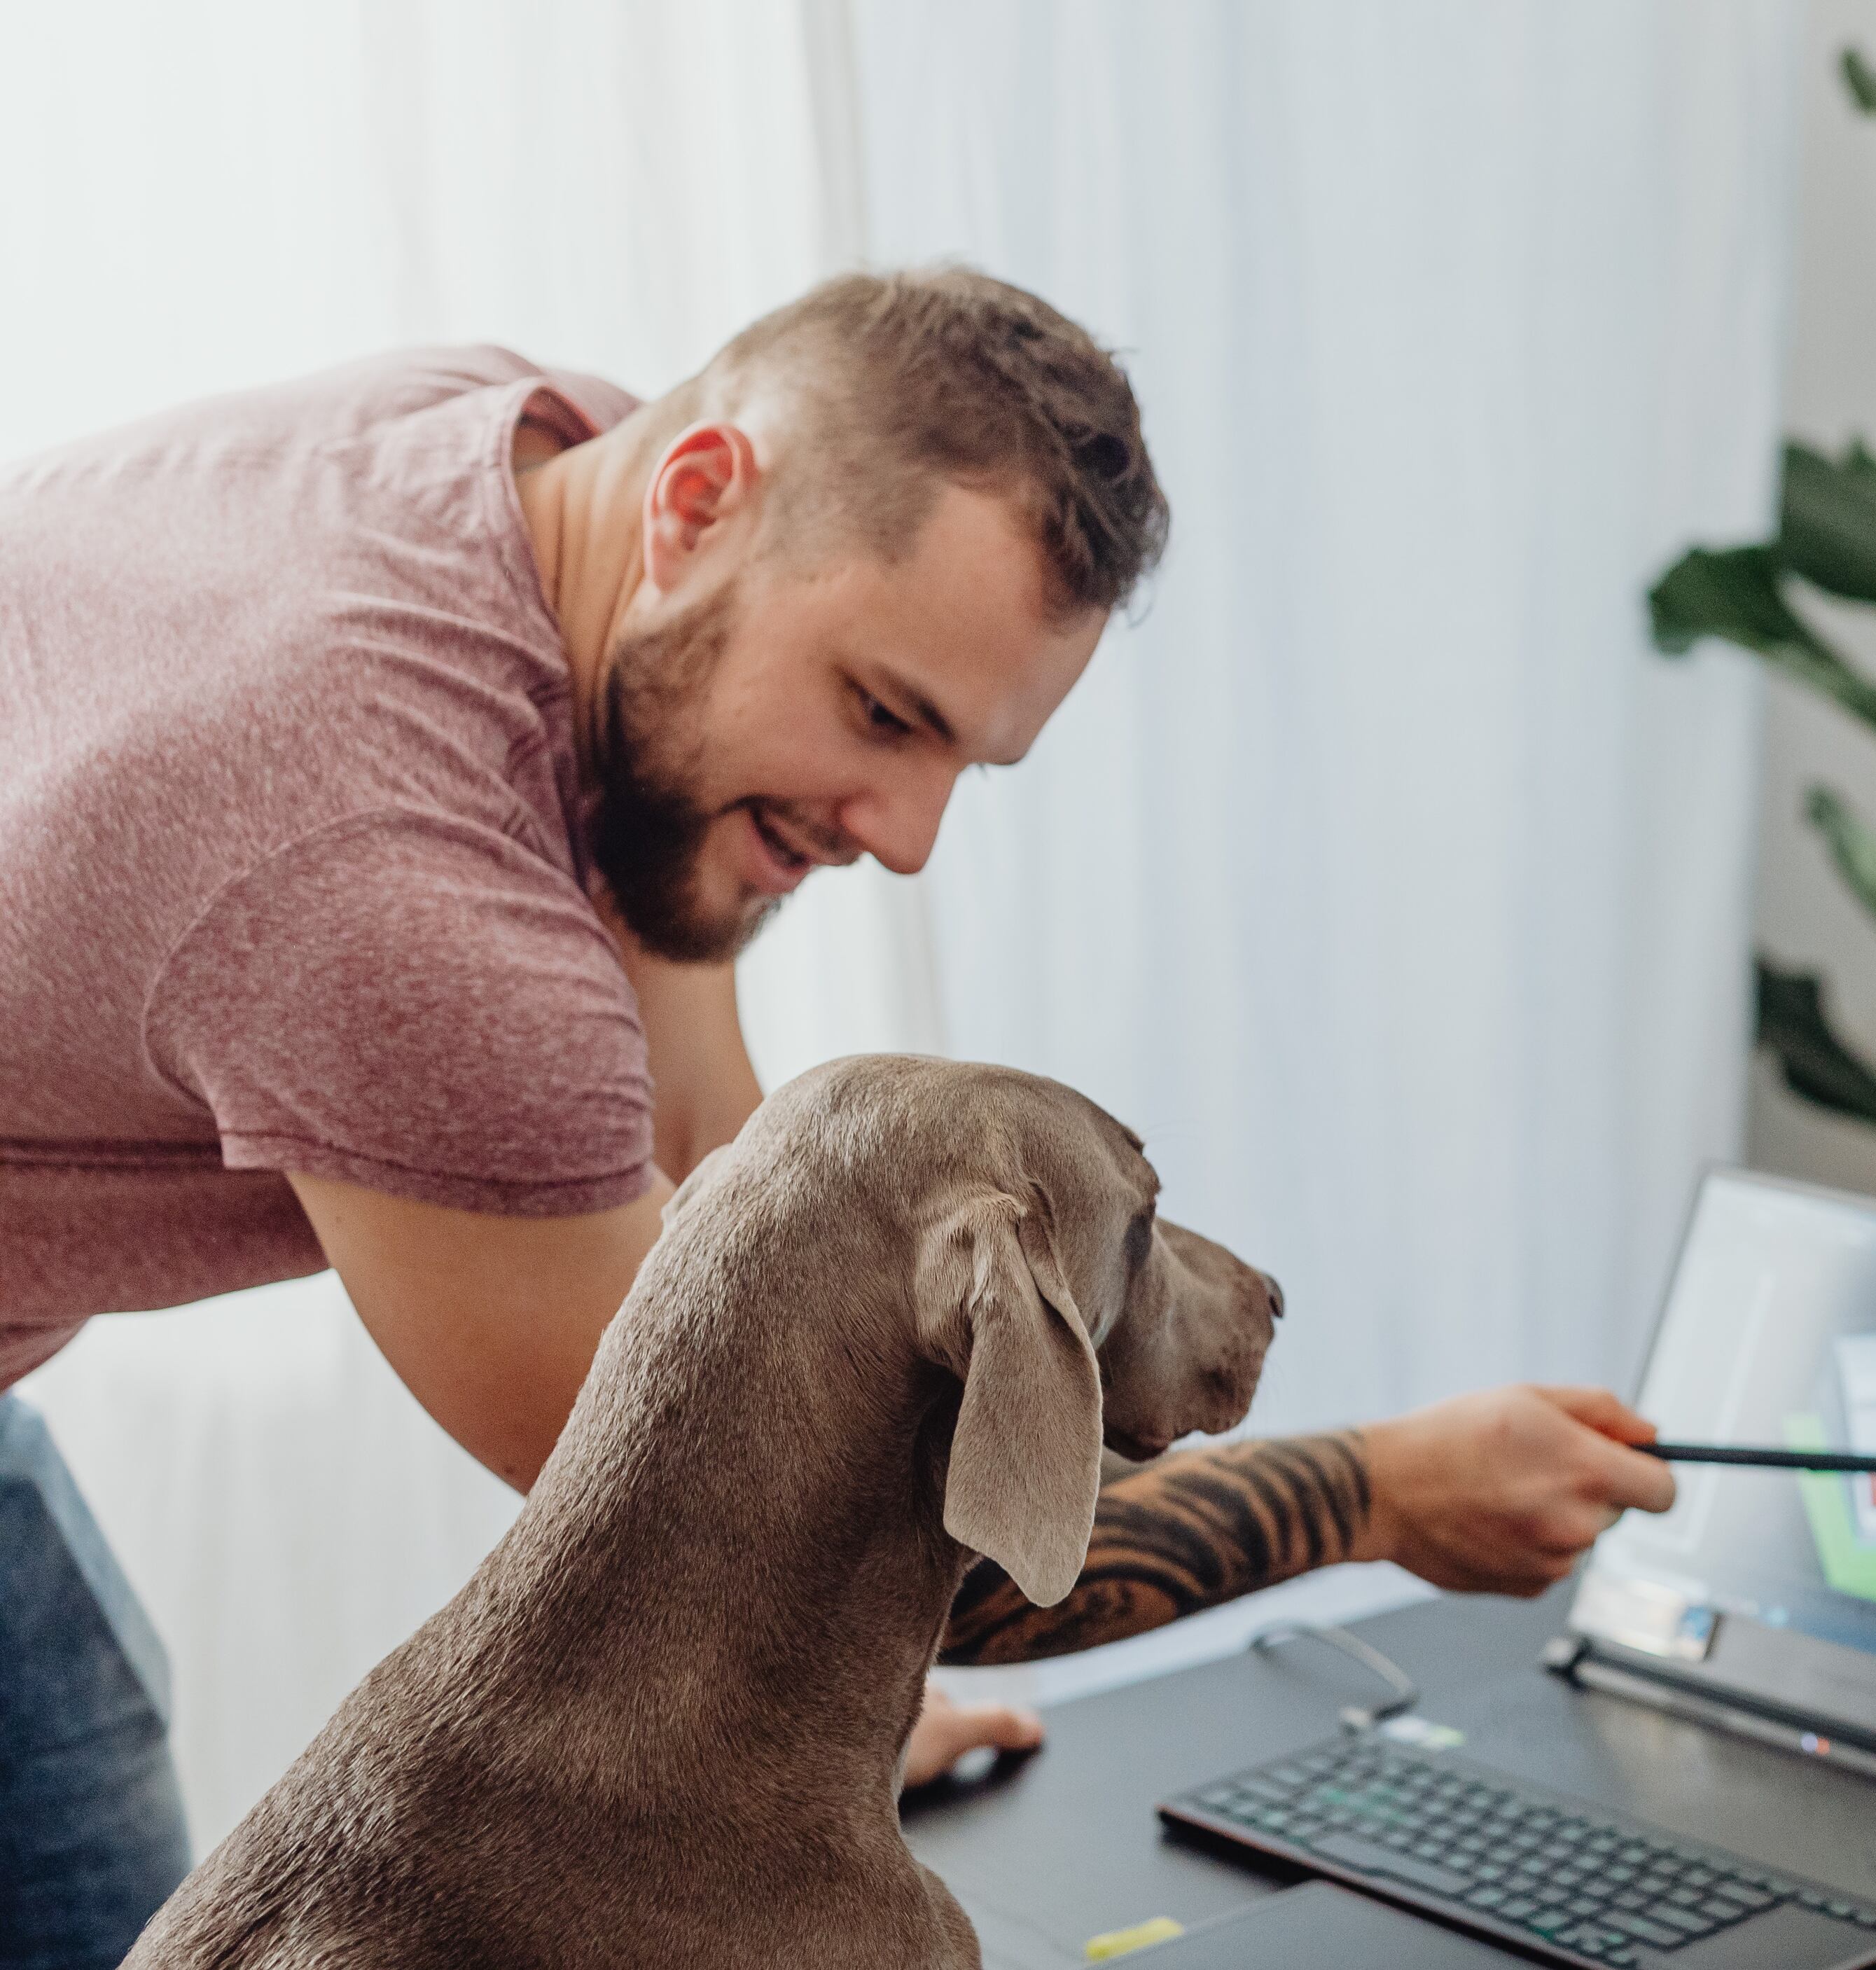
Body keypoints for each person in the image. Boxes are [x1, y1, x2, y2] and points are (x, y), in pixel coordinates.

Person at [0, 268, 1674, 1968]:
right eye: (884, 715)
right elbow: (754, 1496)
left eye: (965, 761)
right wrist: (1387, 1493)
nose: (907, 834)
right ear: (700, 500)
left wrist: (795, 1736)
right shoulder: (396, 895)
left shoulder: (536, 466)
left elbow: (732, 1195)